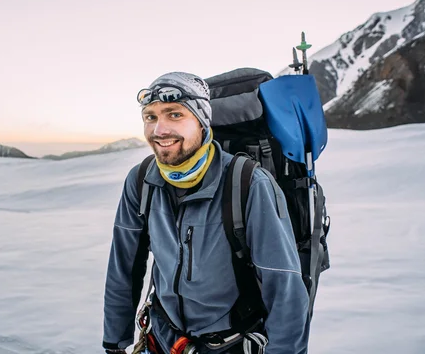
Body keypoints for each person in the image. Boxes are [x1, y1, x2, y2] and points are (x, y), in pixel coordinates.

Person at [103, 72, 310, 354]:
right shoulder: (141, 180)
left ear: (202, 121)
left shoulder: (248, 183)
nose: (159, 130)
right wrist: (115, 341)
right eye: (150, 117)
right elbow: (123, 269)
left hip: (230, 344)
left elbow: (283, 287)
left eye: (174, 114)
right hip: (163, 340)